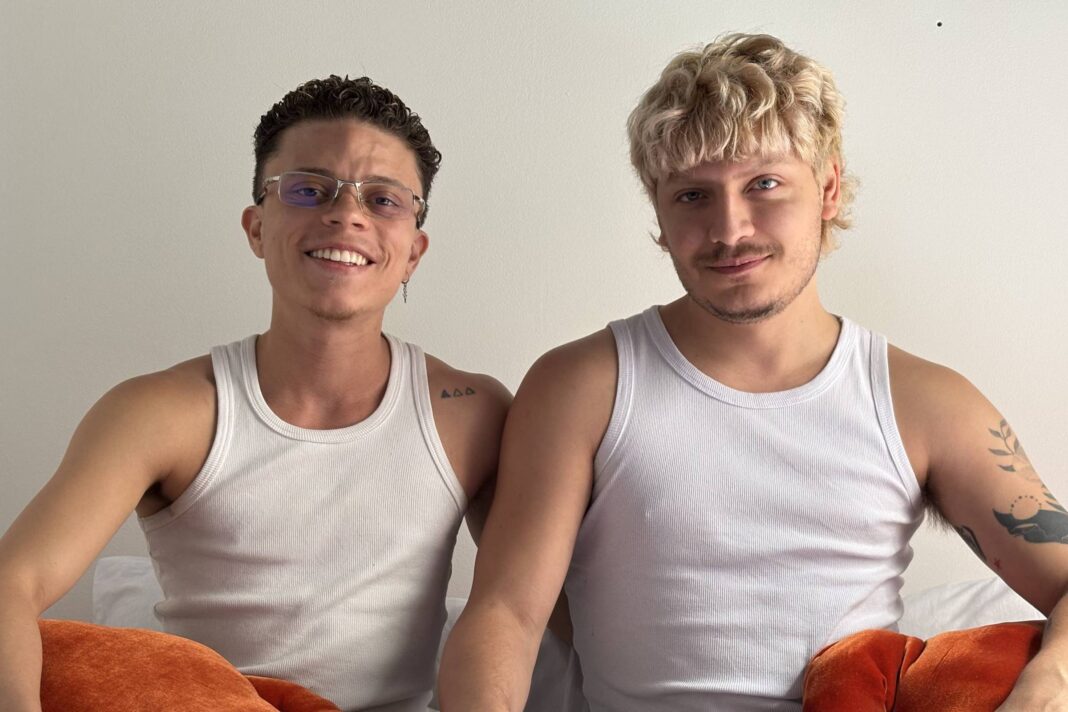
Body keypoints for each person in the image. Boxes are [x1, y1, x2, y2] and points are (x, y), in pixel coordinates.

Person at [438, 33, 1068, 711]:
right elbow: (505, 614)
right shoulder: (582, 386)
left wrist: (1048, 683)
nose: (730, 229)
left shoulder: (924, 403)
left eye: (764, 184)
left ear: (828, 188)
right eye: (692, 196)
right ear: (658, 210)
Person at [0, 75, 510, 712]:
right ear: (256, 227)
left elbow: (526, 606)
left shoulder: (471, 413)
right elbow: (11, 583)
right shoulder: (159, 413)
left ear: (413, 253)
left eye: (383, 200)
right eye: (308, 189)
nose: (346, 214)